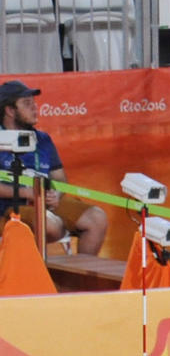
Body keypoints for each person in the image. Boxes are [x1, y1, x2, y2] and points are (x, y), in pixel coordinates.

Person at [0, 79, 105, 255]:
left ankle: (77, 273)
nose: (35, 108)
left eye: (34, 103)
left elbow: (60, 178)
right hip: (10, 207)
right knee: (50, 225)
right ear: (10, 110)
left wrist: (56, 194)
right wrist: (27, 192)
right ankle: (35, 269)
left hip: (44, 203)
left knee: (97, 219)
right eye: (27, 103)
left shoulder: (43, 139)